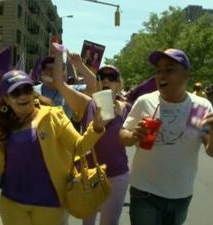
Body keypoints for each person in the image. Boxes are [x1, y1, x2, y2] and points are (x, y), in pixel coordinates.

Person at [0, 70, 106, 225]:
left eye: (27, 89)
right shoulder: (4, 127)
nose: (23, 95)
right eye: (16, 92)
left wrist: (96, 128)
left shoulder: (53, 117)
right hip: (12, 203)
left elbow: (78, 148)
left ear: (33, 92)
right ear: (6, 99)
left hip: (49, 204)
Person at [119, 48, 213, 225]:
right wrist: (133, 136)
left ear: (186, 75)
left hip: (180, 196)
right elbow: (123, 134)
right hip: (145, 192)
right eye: (159, 71)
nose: (162, 75)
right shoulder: (146, 101)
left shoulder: (199, 108)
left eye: (169, 70)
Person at [51, 44, 130, 225]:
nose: (107, 80)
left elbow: (133, 138)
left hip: (118, 176)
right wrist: (58, 54)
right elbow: (59, 84)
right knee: (88, 222)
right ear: (98, 82)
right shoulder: (87, 104)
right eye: (102, 77)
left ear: (119, 84)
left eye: (113, 77)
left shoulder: (128, 108)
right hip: (90, 174)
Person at [34, 55, 97, 120]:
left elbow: (94, 87)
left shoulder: (71, 91)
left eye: (57, 69)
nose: (54, 72)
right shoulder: (32, 91)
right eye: (50, 69)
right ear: (42, 72)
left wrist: (79, 64)